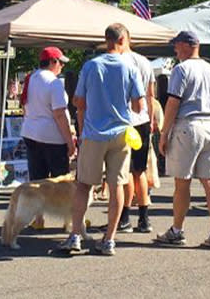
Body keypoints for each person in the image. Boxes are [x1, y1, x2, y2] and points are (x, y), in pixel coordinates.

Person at [58, 24, 145, 256]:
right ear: (123, 39)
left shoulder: (91, 66)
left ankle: (75, 235)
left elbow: (78, 101)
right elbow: (139, 106)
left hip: (94, 133)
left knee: (84, 185)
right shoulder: (131, 67)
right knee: (117, 186)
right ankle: (109, 240)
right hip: (121, 133)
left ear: (106, 40)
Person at [155, 30, 210, 251]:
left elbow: (173, 102)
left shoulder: (181, 69)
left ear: (187, 45)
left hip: (188, 126)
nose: (175, 49)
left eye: (177, 45)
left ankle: (177, 230)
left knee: (182, 182)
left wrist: (164, 133)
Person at [21, 47, 75, 183]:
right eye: (61, 63)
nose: (62, 66)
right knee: (60, 182)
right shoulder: (54, 82)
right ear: (52, 62)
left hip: (31, 132)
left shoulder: (31, 78)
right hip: (52, 137)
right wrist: (70, 142)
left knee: (37, 181)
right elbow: (59, 114)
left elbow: (24, 107)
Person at [119, 44, 156, 234]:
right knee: (140, 171)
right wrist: (151, 118)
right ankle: (144, 218)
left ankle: (124, 217)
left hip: (124, 120)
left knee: (124, 171)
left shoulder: (118, 60)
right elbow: (151, 95)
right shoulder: (145, 62)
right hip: (142, 119)